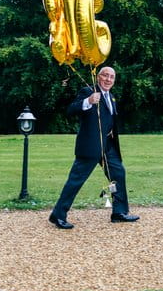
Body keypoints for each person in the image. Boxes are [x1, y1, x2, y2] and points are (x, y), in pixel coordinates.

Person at [49, 66, 140, 229]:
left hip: (108, 146)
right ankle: (58, 215)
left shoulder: (111, 97)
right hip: (90, 146)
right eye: (105, 75)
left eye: (112, 77)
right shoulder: (88, 91)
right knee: (76, 180)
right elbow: (70, 110)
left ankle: (119, 212)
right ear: (98, 77)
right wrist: (88, 101)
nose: (108, 79)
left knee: (118, 173)